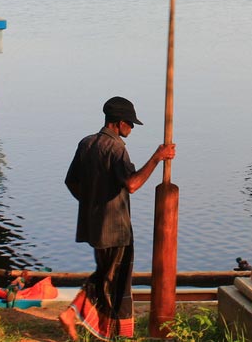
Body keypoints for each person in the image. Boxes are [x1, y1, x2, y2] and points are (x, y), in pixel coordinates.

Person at [59, 96, 175, 341]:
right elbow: (132, 184)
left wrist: (92, 204)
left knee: (105, 273)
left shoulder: (86, 144)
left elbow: (71, 181)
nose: (131, 128)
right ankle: (72, 314)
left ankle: (104, 327)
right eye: (130, 124)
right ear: (118, 123)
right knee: (111, 277)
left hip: (94, 225)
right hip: (115, 228)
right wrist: (157, 157)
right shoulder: (116, 148)